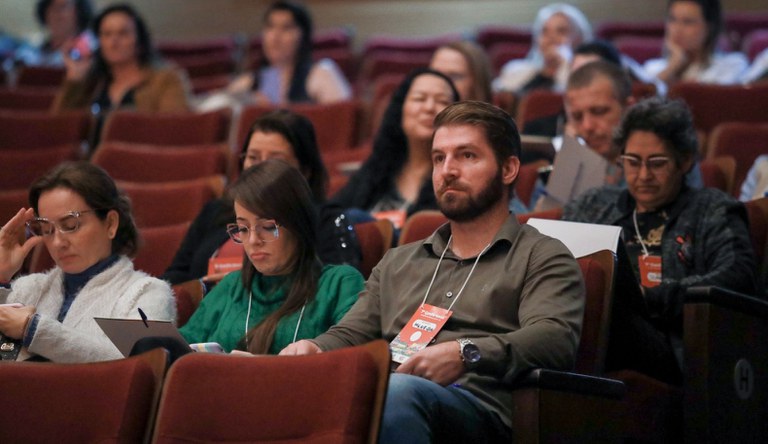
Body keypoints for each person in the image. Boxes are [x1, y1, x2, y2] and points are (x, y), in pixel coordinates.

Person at [282, 101, 585, 443]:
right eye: (439, 158)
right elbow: (352, 334)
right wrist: (313, 347)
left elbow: (554, 338)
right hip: (391, 399)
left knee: (396, 394)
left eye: (467, 155)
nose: (448, 171)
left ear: (509, 169)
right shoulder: (398, 262)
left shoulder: (543, 256)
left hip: (480, 413)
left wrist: (465, 353)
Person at [563, 97, 756, 382]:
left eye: (657, 163)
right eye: (632, 162)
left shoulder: (711, 209)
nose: (643, 175)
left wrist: (653, 297)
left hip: (673, 344)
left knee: (607, 308)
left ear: (685, 160)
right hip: (594, 329)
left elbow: (738, 275)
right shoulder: (592, 205)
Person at [179, 160, 364, 354]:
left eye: (267, 227)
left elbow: (354, 358)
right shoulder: (231, 286)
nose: (252, 240)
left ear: (298, 225)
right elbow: (181, 348)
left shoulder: (340, 283)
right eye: (242, 228)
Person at [162, 109, 360, 287]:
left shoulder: (325, 220)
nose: (260, 168)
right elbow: (175, 278)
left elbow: (336, 288)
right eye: (253, 157)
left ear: (305, 170)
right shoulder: (214, 211)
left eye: (275, 160)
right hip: (206, 315)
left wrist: (248, 286)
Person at [0, 162, 175, 362]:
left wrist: (33, 329)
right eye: (46, 229)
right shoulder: (25, 288)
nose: (58, 242)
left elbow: (136, 367)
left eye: (71, 225)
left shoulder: (147, 293)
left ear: (110, 223)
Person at [330, 68, 459, 230]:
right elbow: (331, 214)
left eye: (442, 101)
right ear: (401, 110)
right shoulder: (380, 164)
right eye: (419, 99)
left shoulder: (457, 176)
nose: (429, 107)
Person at [51, 4, 191, 123]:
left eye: (123, 34)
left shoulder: (165, 79)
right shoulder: (93, 83)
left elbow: (175, 129)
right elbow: (59, 129)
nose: (114, 42)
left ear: (139, 40)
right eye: (106, 34)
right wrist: (75, 80)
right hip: (94, 154)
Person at [225, 0, 351, 105]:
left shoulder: (322, 72)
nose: (275, 37)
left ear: (303, 36)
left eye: (286, 28)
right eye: (270, 27)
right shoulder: (250, 81)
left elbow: (341, 121)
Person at [492, 3, 592, 95]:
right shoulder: (515, 70)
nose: (551, 38)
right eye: (544, 31)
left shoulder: (586, 76)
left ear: (579, 39)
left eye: (561, 31)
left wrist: (565, 63)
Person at [643, 0, 748, 88]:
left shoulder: (732, 65)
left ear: (709, 28)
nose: (677, 29)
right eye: (672, 20)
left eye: (688, 22)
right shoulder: (652, 68)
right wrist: (672, 66)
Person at [14, 0, 95, 67]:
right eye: (51, 7)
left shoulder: (90, 48)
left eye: (63, 7)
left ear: (80, 11)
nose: (56, 14)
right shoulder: (30, 51)